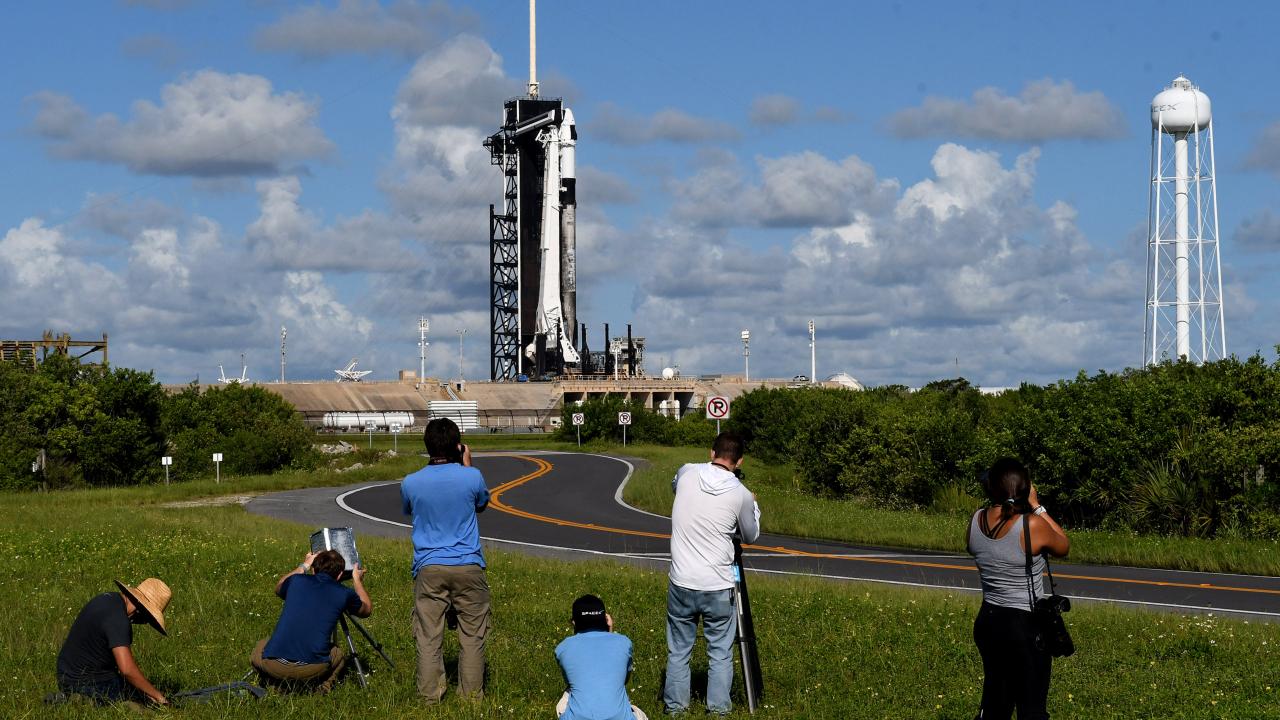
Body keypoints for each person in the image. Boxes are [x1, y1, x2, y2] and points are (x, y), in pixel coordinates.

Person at [664, 431, 761, 716]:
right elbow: (750, 536)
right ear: (739, 461)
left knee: (679, 650)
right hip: (718, 584)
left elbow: (676, 487)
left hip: (681, 580)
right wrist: (753, 506)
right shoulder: (741, 494)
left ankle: (675, 709)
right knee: (719, 652)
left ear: (711, 453)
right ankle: (718, 710)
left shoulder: (687, 472)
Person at [967, 457, 1071, 720]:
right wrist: (1037, 506)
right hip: (1023, 625)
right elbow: (1063, 545)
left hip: (989, 620)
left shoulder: (976, 519)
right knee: (1031, 707)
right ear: (1025, 488)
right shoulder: (1031, 525)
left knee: (995, 703)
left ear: (992, 488)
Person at [401, 417, 491, 702]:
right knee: (472, 635)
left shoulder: (411, 482)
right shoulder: (472, 476)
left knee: (429, 636)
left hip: (429, 565)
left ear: (427, 446)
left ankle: (430, 697)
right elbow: (481, 504)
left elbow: (408, 509)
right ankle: (471, 697)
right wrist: (467, 464)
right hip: (468, 563)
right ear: (457, 446)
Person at [250, 549, 371, 693]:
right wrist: (357, 580)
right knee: (338, 654)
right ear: (340, 575)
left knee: (261, 645)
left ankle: (274, 683)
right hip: (311, 669)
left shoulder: (296, 581)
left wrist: (305, 565)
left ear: (313, 570)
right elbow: (366, 610)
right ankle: (319, 689)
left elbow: (279, 587)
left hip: (273, 665)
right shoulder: (344, 593)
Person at [55, 577, 173, 706]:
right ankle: (87, 699)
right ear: (141, 610)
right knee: (142, 700)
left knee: (137, 689)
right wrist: (158, 696)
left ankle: (76, 696)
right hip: (92, 682)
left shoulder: (107, 599)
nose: (144, 623)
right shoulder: (119, 621)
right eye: (148, 619)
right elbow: (126, 669)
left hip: (65, 677)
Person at [554, 594, 648, 720]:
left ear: (574, 622)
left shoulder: (563, 648)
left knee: (567, 696)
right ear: (606, 619)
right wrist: (610, 631)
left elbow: (572, 682)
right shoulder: (624, 643)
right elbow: (623, 680)